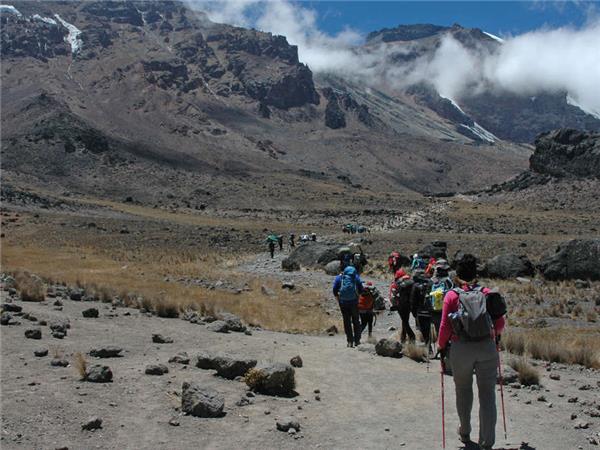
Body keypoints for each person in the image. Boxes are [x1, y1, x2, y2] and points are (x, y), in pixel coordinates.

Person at [437, 254, 506, 450]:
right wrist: (494, 337)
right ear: (476, 273)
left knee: (463, 390)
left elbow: (444, 327)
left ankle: (465, 432)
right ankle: (488, 441)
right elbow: (500, 324)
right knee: (487, 394)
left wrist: (441, 346)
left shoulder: (452, 295)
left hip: (461, 348)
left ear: (457, 274)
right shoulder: (487, 293)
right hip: (486, 347)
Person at [333, 266, 363, 347]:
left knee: (347, 322)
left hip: (343, 303)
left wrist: (339, 300)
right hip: (354, 303)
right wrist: (357, 298)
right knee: (356, 321)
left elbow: (335, 290)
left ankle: (350, 341)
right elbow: (361, 290)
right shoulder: (356, 278)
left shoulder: (339, 278)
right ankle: (357, 341)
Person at [389, 269, 416, 342]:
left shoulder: (397, 283)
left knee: (405, 321)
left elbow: (393, 295)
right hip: (410, 304)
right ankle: (403, 338)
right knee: (405, 320)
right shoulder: (411, 281)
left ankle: (412, 336)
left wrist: (393, 305)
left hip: (401, 305)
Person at [429, 259, 453, 336]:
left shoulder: (432, 281)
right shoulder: (449, 281)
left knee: (438, 331)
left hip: (435, 311)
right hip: (447, 311)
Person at [410, 269, 433, 351]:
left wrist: (413, 312)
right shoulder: (431, 283)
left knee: (424, 330)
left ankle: (429, 347)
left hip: (421, 312)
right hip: (432, 310)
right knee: (431, 328)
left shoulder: (416, 285)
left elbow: (413, 300)